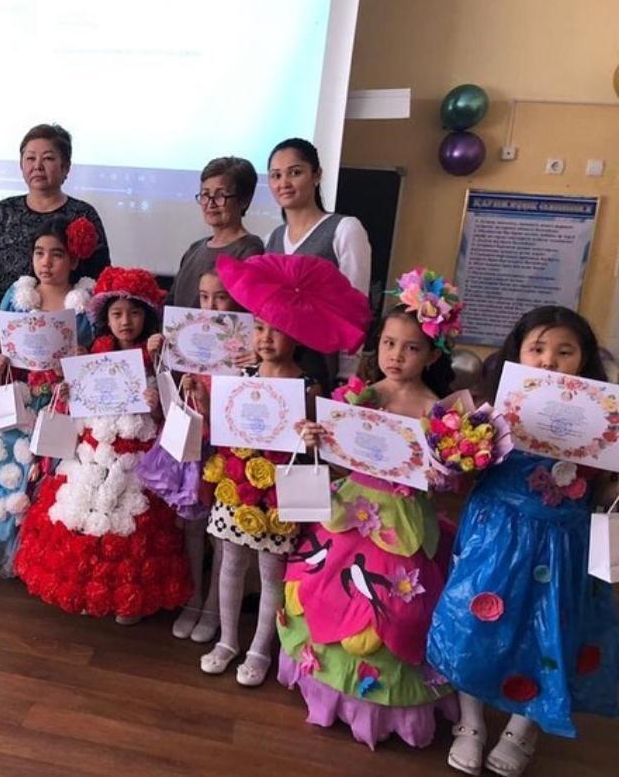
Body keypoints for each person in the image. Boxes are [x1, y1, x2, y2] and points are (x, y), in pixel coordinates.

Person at [427, 306, 619, 777]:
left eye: (565, 351)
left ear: (584, 359)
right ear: (518, 353)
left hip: (564, 542)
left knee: (552, 628)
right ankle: (470, 722)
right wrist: (456, 457)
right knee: (473, 622)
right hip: (496, 535)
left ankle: (522, 728)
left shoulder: (603, 419)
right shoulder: (490, 407)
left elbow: (604, 491)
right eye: (537, 349)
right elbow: (458, 471)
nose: (549, 360)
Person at [278, 268, 461, 749]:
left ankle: (380, 706)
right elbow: (340, 455)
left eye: (411, 347)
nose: (396, 356)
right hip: (351, 508)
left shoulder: (438, 410)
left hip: (403, 521)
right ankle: (326, 687)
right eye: (388, 344)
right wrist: (315, 437)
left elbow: (447, 479)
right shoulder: (361, 394)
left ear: (432, 354)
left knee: (393, 608)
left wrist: (443, 469)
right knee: (323, 591)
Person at [199, 254, 371, 686]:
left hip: (280, 491)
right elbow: (220, 424)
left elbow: (322, 444)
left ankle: (260, 647)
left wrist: (313, 435)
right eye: (259, 328)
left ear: (297, 336)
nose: (265, 338)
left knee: (271, 571)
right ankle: (227, 639)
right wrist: (201, 398)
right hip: (237, 481)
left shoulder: (308, 387)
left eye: (277, 330)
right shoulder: (242, 375)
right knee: (229, 563)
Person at [14, 267, 191, 624]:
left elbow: (173, 410)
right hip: (93, 444)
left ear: (147, 317)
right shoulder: (94, 353)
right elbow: (80, 401)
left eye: (134, 313)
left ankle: (129, 597)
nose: (126, 321)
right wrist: (69, 390)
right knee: (83, 507)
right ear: (106, 319)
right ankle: (85, 585)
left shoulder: (159, 355)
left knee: (132, 520)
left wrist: (156, 399)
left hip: (139, 451)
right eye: (117, 314)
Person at [138, 268, 257, 644]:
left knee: (220, 534)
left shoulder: (248, 341)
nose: (211, 305)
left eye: (220, 297)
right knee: (190, 525)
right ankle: (193, 597)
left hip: (227, 445)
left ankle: (213, 607)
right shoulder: (187, 334)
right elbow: (168, 395)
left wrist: (249, 365)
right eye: (204, 297)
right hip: (192, 439)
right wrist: (160, 356)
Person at [0, 215, 97, 576]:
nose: (46, 262)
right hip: (24, 400)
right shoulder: (18, 297)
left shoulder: (84, 303)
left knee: (54, 474)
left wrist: (81, 358)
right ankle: (14, 553)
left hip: (64, 403)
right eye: (39, 253)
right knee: (17, 471)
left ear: (73, 260)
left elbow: (96, 355)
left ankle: (45, 557)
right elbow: (5, 345)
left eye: (56, 254)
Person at [265, 137, 372, 390]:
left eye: (295, 173)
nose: (284, 183)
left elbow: (355, 309)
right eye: (276, 175)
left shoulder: (344, 229)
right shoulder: (272, 239)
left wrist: (346, 374)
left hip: (321, 366)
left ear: (317, 175)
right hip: (275, 367)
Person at [0, 123, 110, 307]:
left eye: (48, 158)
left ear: (65, 167)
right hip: (7, 319)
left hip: (69, 320)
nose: (37, 166)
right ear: (21, 165)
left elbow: (101, 278)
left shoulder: (83, 214)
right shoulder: (4, 211)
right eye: (30, 158)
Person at [166, 157, 266, 309]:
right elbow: (171, 302)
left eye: (220, 196)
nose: (210, 204)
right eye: (205, 195)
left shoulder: (250, 250)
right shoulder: (195, 249)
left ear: (244, 200)